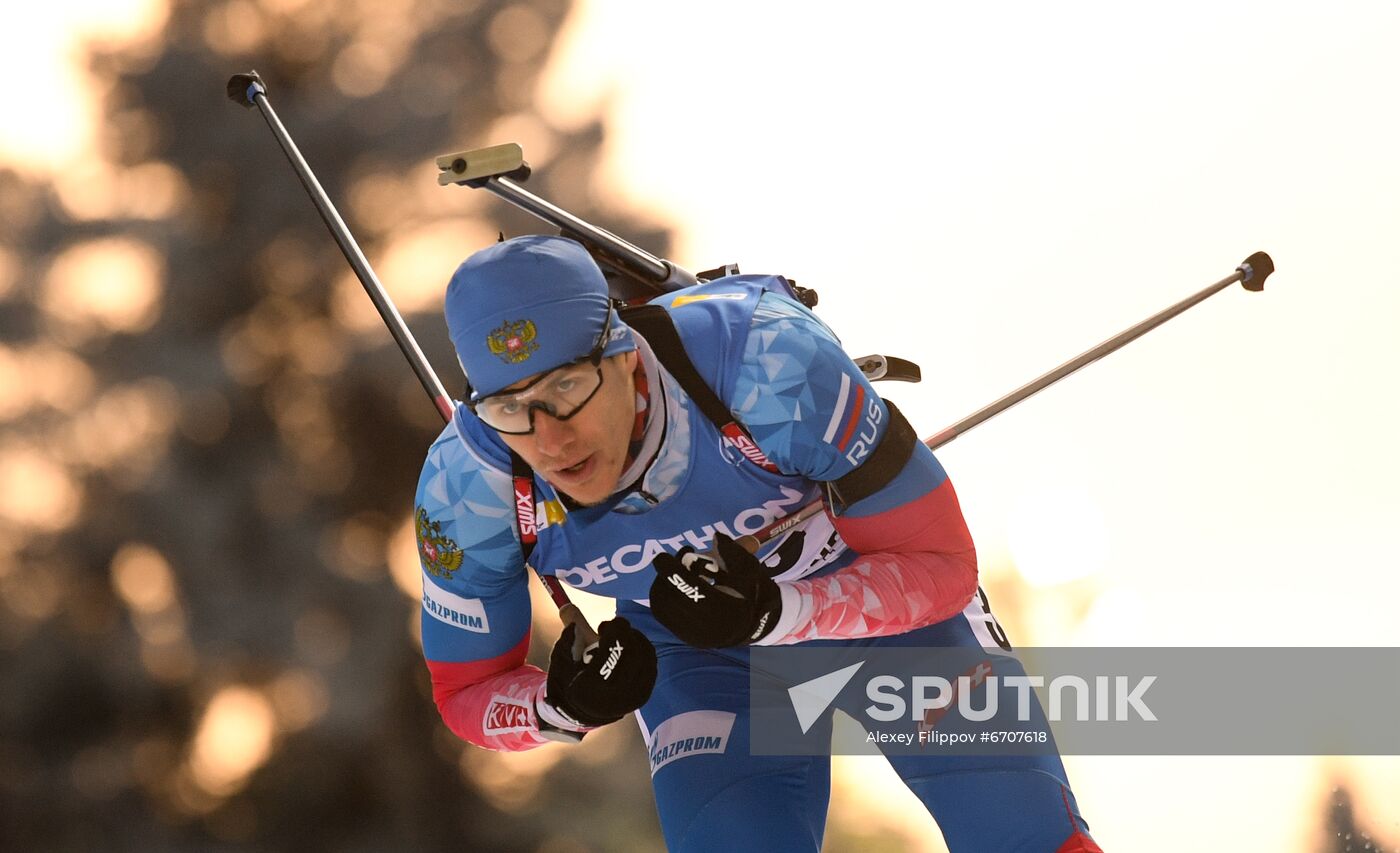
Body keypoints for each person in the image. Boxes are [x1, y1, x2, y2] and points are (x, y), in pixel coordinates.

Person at [414, 235, 1101, 852]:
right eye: (511, 409)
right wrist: (561, 704)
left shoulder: (767, 362)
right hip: (701, 651)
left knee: (1028, 835)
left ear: (623, 355)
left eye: (568, 386)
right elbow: (465, 690)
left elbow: (942, 567)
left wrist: (781, 611)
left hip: (874, 595)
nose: (551, 439)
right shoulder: (468, 487)